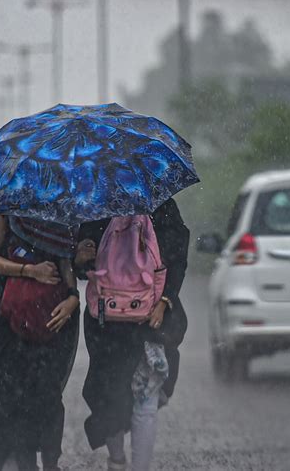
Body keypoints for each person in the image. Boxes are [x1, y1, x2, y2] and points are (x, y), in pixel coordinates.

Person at [75, 198, 190, 471]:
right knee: (145, 398)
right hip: (149, 320)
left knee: (108, 397)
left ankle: (116, 461)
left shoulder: (98, 204)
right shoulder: (162, 205)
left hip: (106, 323)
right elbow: (177, 259)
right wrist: (165, 301)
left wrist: (80, 256)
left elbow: (82, 267)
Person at [0, 214, 80, 471]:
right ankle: (18, 461)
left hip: (50, 317)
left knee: (47, 395)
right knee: (6, 395)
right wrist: (29, 270)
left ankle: (49, 461)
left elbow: (63, 258)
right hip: (8, 320)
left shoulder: (56, 211)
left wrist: (73, 297)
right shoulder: (5, 209)